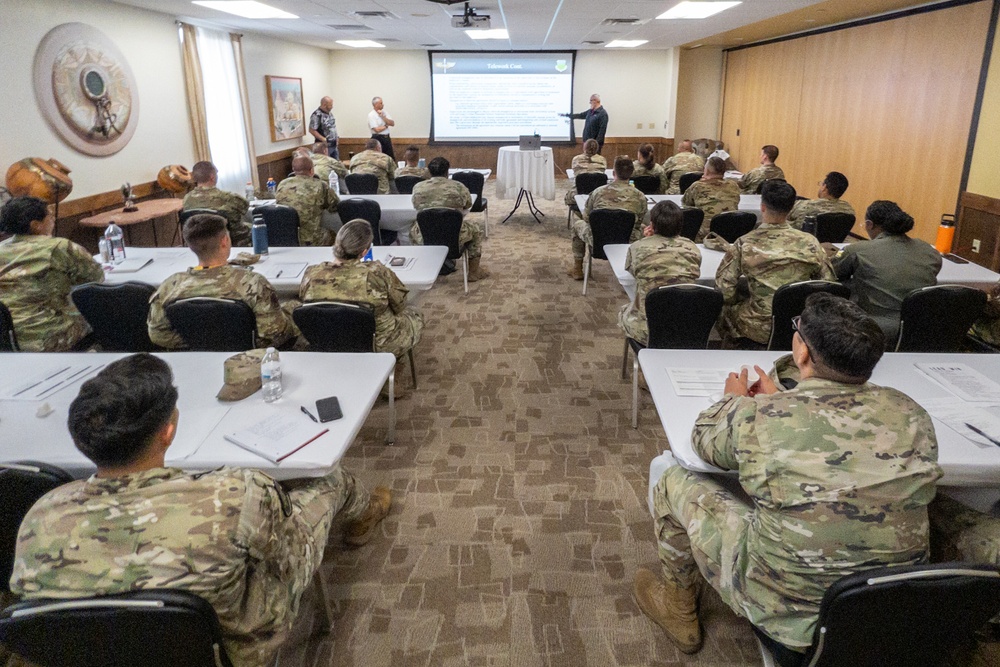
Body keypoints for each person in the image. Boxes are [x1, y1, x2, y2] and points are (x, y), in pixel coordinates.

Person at [8, 353, 392, 666]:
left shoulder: (40, 517)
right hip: (227, 649)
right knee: (329, 480)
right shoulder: (234, 494)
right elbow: (288, 557)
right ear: (169, 430)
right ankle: (364, 513)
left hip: (91, 657)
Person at [637, 293, 941, 656]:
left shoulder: (760, 417)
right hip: (888, 609)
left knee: (672, 476)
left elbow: (703, 443)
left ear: (801, 353)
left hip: (784, 610)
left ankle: (678, 609)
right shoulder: (911, 412)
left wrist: (733, 401)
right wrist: (781, 397)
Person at [147, 213, 297, 349]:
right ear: (225, 241)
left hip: (197, 360)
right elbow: (274, 336)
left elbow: (158, 335)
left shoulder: (169, 286)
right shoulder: (253, 283)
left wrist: (201, 340)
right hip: (248, 360)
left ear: (189, 245)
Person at [716, 180, 835, 347]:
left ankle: (732, 349)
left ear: (762, 207)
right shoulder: (811, 243)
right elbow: (828, 283)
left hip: (755, 325)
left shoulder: (744, 243)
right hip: (798, 324)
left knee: (724, 309)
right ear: (791, 208)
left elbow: (724, 290)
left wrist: (742, 299)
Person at [300, 220, 424, 361]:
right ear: (364, 251)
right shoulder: (377, 273)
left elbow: (305, 301)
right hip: (378, 345)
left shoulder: (311, 273)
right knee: (415, 314)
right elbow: (400, 305)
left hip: (328, 342)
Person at [0, 196, 104, 351]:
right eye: (49, 215)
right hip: (50, 334)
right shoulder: (58, 247)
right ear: (36, 225)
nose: (53, 218)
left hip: (8, 339)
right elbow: (96, 278)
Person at [832, 200, 941, 342]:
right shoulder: (929, 250)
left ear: (870, 224)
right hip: (922, 327)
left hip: (872, 329)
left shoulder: (858, 250)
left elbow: (833, 273)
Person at [617, 201, 701, 344]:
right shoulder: (692, 248)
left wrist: (647, 239)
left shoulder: (638, 247)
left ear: (652, 224)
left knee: (624, 310)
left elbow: (633, 271)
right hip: (684, 326)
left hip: (647, 328)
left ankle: (643, 362)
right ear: (680, 225)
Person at [410, 157, 489, 282]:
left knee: (412, 228)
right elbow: (468, 204)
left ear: (429, 172)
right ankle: (473, 271)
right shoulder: (458, 187)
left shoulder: (418, 187)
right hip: (455, 236)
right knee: (476, 229)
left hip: (425, 235)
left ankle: (422, 268)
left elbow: (416, 205)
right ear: (447, 171)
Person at [570, 156, 647, 280]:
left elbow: (587, 217)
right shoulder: (640, 196)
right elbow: (639, 222)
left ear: (613, 172)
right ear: (631, 173)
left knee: (577, 224)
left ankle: (577, 268)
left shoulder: (598, 192)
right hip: (628, 240)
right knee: (646, 229)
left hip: (597, 240)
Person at [183, 161, 252, 247]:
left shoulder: (187, 199)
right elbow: (245, 207)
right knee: (255, 226)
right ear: (212, 177)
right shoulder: (228, 197)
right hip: (230, 239)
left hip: (199, 240)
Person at [276, 155, 339, 246]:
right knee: (333, 234)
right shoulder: (320, 185)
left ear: (293, 169)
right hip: (311, 239)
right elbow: (335, 206)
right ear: (312, 170)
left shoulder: (282, 183)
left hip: (285, 237)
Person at [681, 157, 741, 242]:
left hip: (706, 236)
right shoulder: (733, 185)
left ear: (707, 171)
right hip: (731, 233)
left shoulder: (698, 186)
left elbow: (686, 204)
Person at [786, 171, 856, 229]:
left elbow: (781, 217)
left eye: (821, 184)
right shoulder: (849, 210)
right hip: (831, 245)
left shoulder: (802, 205)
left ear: (824, 187)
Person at [564, 139, 607, 214]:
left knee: (568, 197)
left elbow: (575, 171)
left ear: (584, 147)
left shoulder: (576, 159)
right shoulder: (602, 160)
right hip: (598, 196)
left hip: (578, 193)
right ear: (597, 148)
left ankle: (582, 216)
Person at [368, 96, 395, 161]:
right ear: (376, 104)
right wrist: (386, 126)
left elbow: (392, 123)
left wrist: (383, 117)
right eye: (381, 103)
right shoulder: (371, 115)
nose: (383, 104)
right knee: (379, 159)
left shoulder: (384, 112)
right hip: (378, 138)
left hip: (386, 138)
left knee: (389, 158)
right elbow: (377, 130)